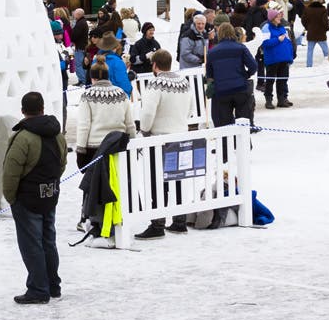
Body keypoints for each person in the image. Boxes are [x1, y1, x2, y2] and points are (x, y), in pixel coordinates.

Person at [2, 91, 67, 303]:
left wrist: (11, 197)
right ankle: (52, 285)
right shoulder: (57, 134)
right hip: (50, 193)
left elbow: (11, 172)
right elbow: (62, 163)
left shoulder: (23, 137)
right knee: (49, 240)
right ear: (43, 108)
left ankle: (39, 289)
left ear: (23, 111)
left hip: (27, 198)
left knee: (32, 244)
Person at [134, 50, 197, 239]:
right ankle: (179, 221)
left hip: (159, 139)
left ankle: (157, 223)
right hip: (180, 136)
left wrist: (145, 130)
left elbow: (147, 113)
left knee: (156, 182)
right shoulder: (184, 82)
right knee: (177, 179)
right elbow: (191, 109)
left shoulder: (155, 84)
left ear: (155, 65)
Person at [70, 59, 137, 171]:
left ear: (93, 78)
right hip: (119, 145)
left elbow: (84, 125)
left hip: (95, 149)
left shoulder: (87, 95)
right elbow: (130, 123)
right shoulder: (121, 93)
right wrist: (133, 142)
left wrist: (81, 149)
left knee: (97, 185)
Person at [205, 23, 258, 129]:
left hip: (222, 91)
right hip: (240, 89)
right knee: (243, 124)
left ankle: (226, 145)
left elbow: (209, 74)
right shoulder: (240, 48)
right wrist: (245, 75)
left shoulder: (212, 52)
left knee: (224, 125)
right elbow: (253, 66)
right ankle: (244, 144)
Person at [258, 9, 295, 109]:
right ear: (273, 18)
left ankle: (282, 99)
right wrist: (277, 39)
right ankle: (268, 100)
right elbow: (265, 43)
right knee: (270, 81)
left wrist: (290, 55)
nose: (280, 17)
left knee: (282, 80)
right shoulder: (266, 28)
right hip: (272, 59)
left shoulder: (282, 27)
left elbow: (287, 41)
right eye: (278, 16)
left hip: (283, 59)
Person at [302, 0, 329, 67]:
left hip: (311, 32)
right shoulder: (323, 10)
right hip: (321, 33)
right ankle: (328, 63)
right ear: (320, 1)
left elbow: (303, 20)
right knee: (325, 50)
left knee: (310, 51)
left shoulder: (307, 9)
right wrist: (326, 28)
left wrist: (307, 27)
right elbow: (325, 21)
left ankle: (309, 65)